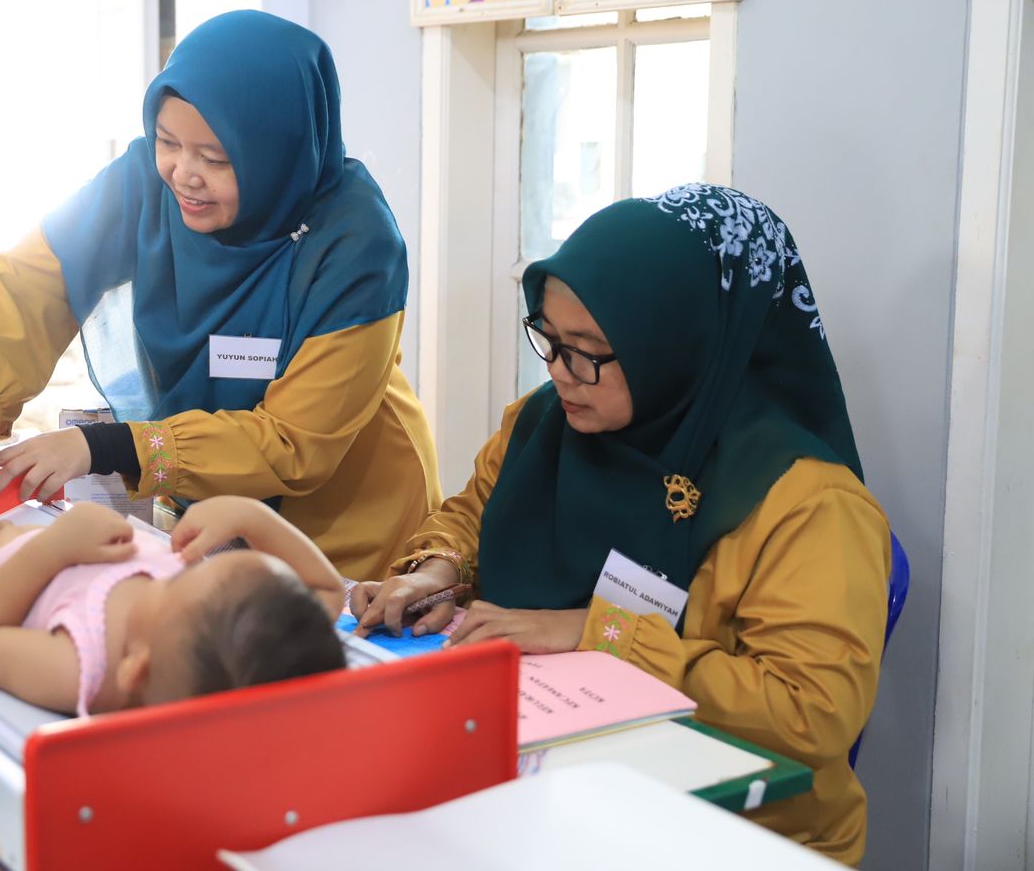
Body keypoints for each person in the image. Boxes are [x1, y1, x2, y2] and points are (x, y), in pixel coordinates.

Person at [351, 185, 889, 866]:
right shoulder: (545, 424)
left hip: (732, 832)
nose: (561, 373)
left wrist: (597, 633)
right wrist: (439, 569)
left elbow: (811, 710)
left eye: (590, 351)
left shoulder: (807, 502)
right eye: (548, 338)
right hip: (552, 776)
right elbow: (471, 513)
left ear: (678, 347)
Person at [0, 11, 440, 582]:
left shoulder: (356, 242)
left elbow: (297, 443)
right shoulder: (144, 181)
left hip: (344, 526)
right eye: (167, 142)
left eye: (215, 158)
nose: (183, 174)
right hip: (209, 511)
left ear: (278, 152)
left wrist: (108, 447)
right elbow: (30, 284)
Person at [0, 497, 346, 715]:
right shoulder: (241, 642)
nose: (176, 571)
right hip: (49, 536)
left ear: (135, 667)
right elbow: (327, 590)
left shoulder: (83, 671)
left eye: (179, 583)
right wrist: (251, 516)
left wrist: (54, 549)